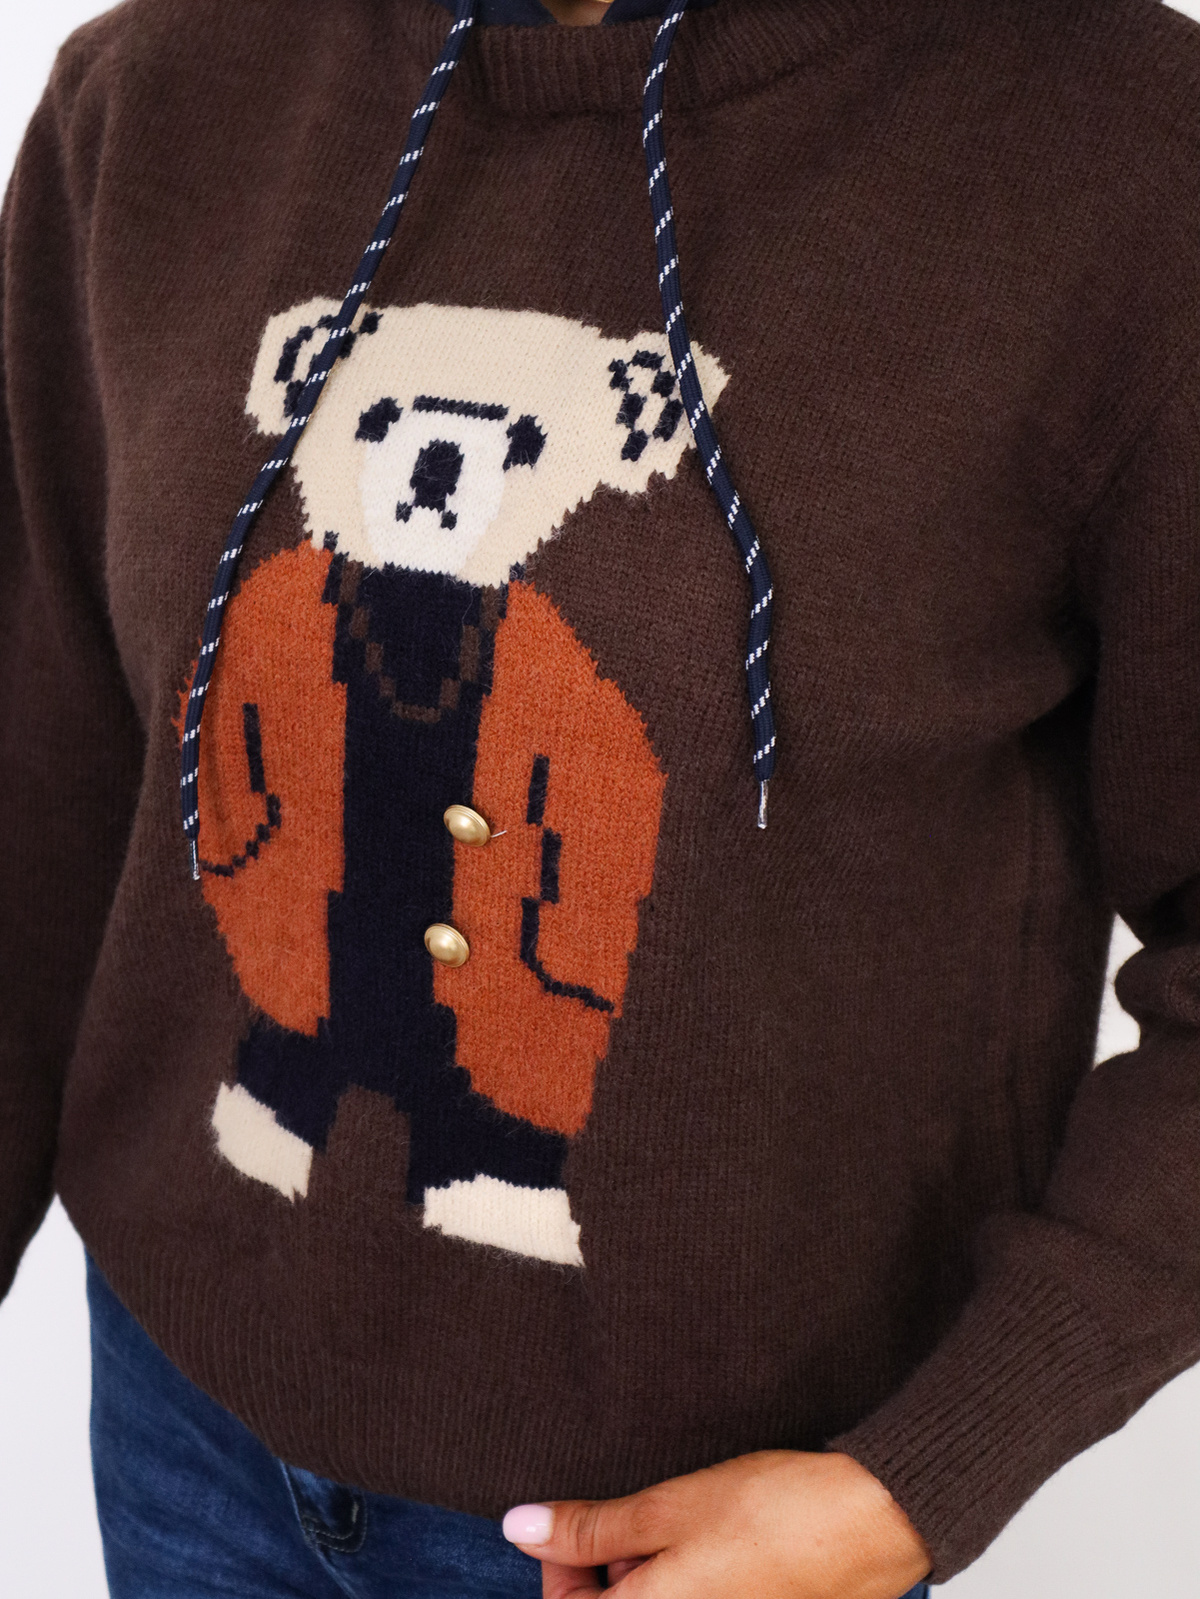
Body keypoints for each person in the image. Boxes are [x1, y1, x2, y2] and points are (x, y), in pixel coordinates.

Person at [4, 0, 1200, 1593]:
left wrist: (927, 1471)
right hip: (182, 1423)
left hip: (707, 1527)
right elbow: (42, 778)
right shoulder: (153, 91)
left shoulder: (1126, 155)